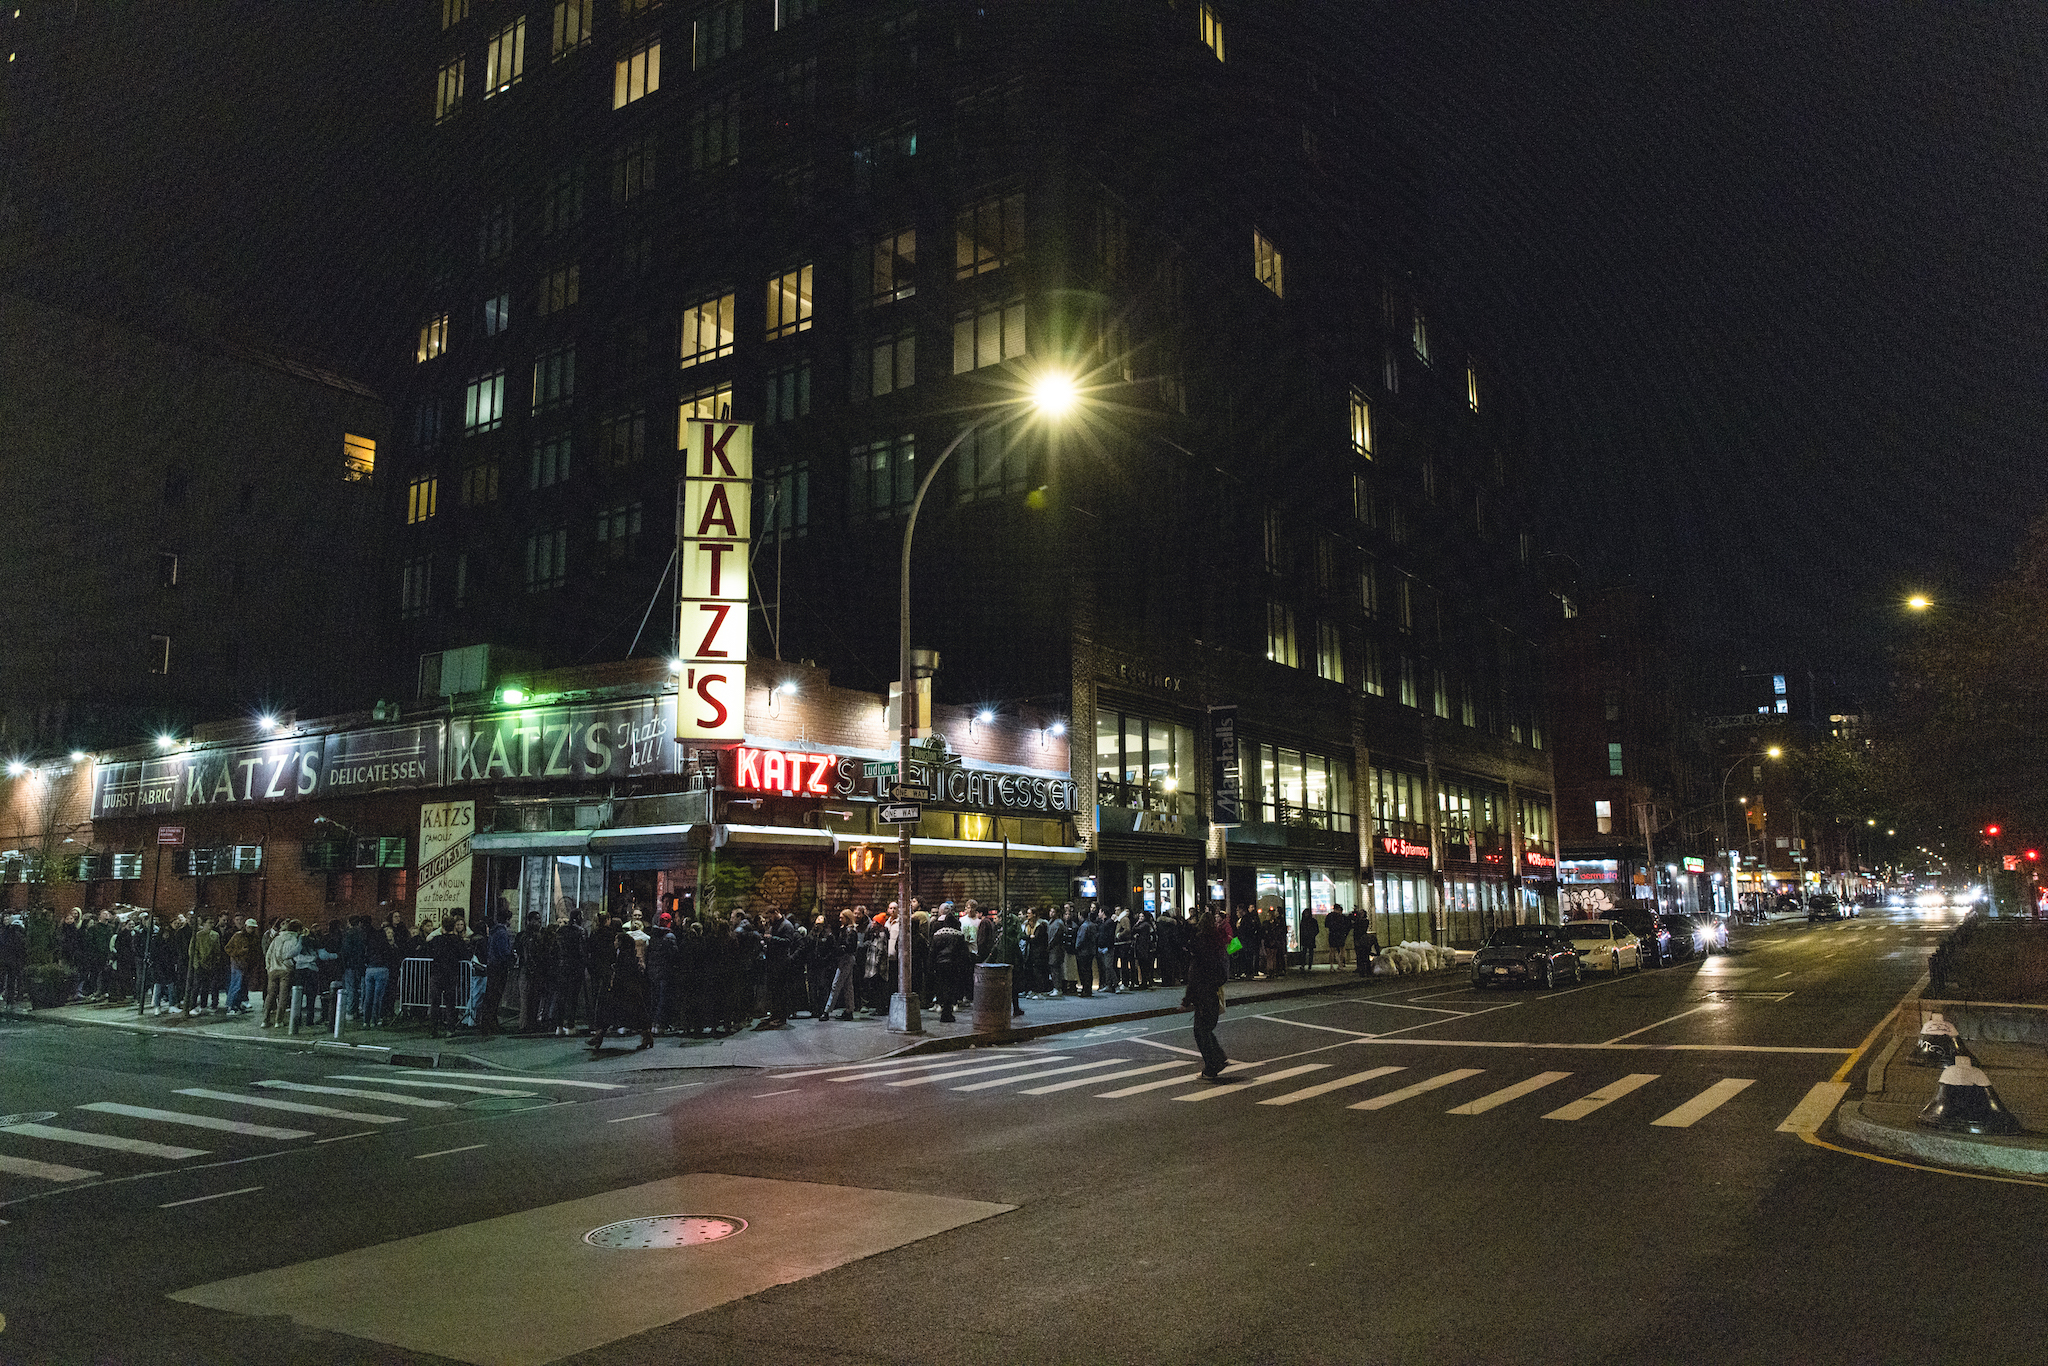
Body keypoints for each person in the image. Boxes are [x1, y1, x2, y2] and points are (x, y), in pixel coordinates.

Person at [1184, 908, 1232, 1079]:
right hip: (1212, 990)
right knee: (1206, 1029)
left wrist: (1187, 999)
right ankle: (1218, 1059)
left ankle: (1213, 1064)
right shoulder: (1218, 941)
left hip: (1202, 992)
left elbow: (1194, 974)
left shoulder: (1200, 945)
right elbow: (1224, 963)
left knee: (1201, 1031)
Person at [930, 910, 970, 1022]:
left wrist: (931, 966)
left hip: (940, 965)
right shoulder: (959, 935)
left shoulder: (937, 934)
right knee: (951, 988)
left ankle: (943, 1009)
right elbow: (964, 953)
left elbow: (932, 952)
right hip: (954, 965)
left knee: (942, 987)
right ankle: (948, 1012)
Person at [1325, 904, 1352, 969]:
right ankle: (1340, 964)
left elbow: (1326, 925)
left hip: (1332, 934)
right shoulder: (1342, 917)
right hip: (1340, 934)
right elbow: (1348, 925)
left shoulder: (1329, 916)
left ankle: (1331, 965)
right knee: (1342, 950)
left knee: (1332, 950)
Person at [1354, 912, 1381, 977]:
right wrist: (1377, 954)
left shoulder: (1363, 922)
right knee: (1365, 958)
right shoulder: (1371, 938)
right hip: (1363, 944)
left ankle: (1363, 972)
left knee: (1363, 957)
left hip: (1361, 943)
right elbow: (1376, 946)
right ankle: (1367, 972)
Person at [1298, 907, 1320, 974]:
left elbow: (1316, 930)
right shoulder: (1309, 921)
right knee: (1306, 952)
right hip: (1308, 938)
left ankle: (1307, 964)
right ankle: (1305, 964)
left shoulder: (1306, 921)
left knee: (1308, 952)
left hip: (1308, 938)